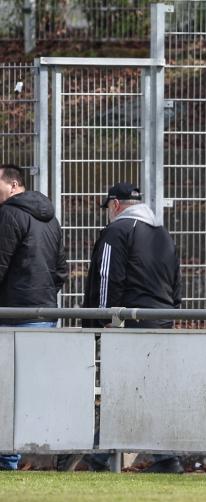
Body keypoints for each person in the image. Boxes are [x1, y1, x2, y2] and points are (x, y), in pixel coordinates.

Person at [75, 181, 184, 474]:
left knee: (123, 388)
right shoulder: (162, 234)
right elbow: (176, 283)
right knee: (146, 390)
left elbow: (107, 276)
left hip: (128, 324)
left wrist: (103, 320)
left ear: (114, 205)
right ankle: (159, 458)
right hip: (160, 321)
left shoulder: (117, 231)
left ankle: (102, 456)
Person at [0, 164, 68, 471]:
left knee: (6, 391)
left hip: (11, 314)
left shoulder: (9, 215)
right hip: (43, 313)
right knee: (27, 391)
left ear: (14, 185)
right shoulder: (51, 219)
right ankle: (17, 455)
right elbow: (61, 271)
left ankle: (7, 458)